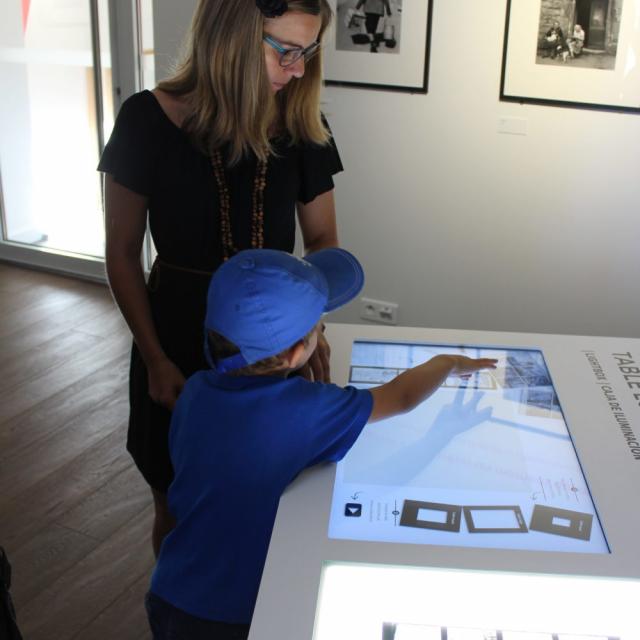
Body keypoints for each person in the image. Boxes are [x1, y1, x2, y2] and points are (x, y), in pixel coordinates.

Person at [145, 247, 498, 639]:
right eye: (319, 326)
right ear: (299, 353)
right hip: (235, 611)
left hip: (172, 588)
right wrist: (445, 363)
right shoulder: (308, 410)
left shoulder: (194, 392)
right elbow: (400, 397)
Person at [98, 0, 341, 556]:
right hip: (176, 336)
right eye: (286, 52)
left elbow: (325, 242)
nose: (299, 70)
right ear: (232, 36)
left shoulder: (303, 125)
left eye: (307, 53)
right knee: (178, 504)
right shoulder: (146, 119)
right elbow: (121, 253)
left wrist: (313, 323)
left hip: (278, 345)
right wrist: (155, 358)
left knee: (277, 504)